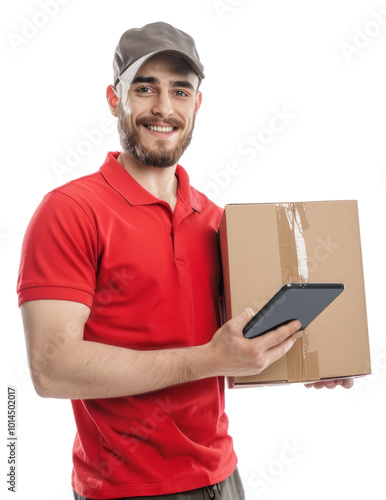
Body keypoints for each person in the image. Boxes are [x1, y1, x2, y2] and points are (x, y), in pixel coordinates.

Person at [17, 21, 353, 500]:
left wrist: (309, 357)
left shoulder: (217, 222)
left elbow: (233, 347)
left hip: (223, 478)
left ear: (197, 104)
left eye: (180, 90)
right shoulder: (70, 212)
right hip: (124, 489)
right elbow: (52, 369)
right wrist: (210, 359)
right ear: (115, 99)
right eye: (145, 88)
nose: (163, 107)